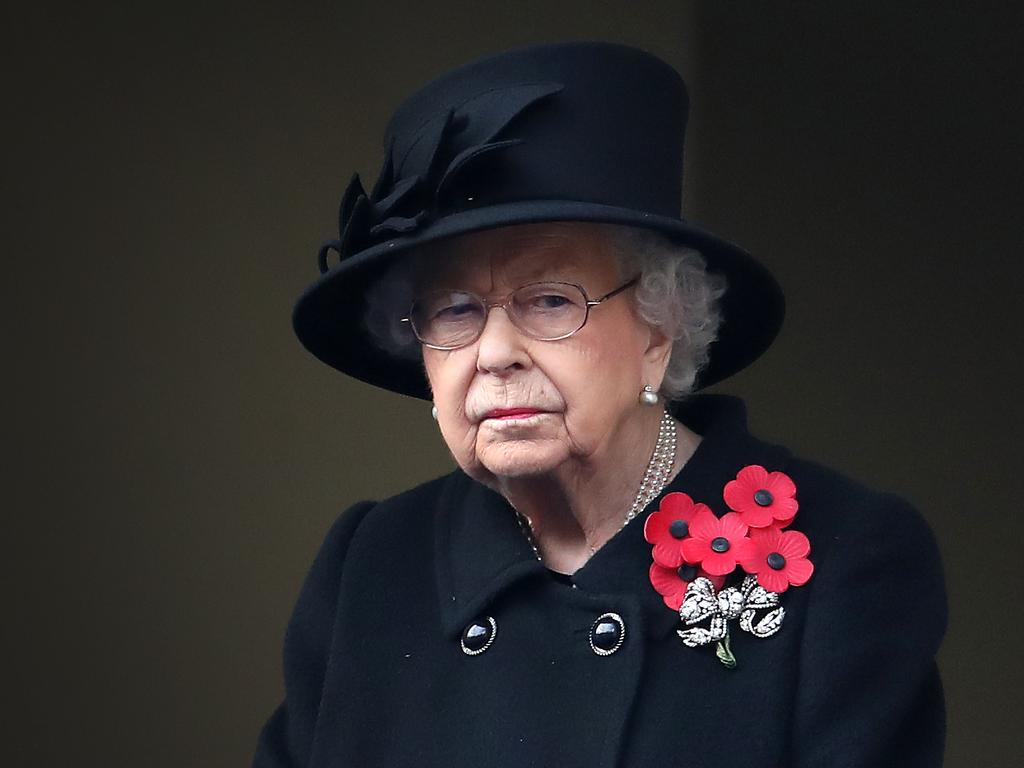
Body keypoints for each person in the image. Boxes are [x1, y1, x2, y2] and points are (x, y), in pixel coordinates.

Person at [253, 42, 946, 767]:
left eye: (550, 300)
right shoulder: (370, 564)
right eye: (454, 312)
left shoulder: (848, 557)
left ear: (660, 326)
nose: (493, 353)